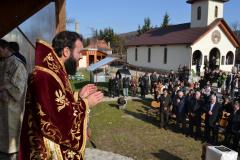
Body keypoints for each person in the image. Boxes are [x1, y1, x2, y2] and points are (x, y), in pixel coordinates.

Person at [19, 31, 103, 160]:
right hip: (45, 152)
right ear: (66, 52)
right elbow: (56, 119)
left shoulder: (56, 71)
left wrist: (78, 96)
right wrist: (86, 104)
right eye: (79, 52)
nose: (81, 57)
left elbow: (57, 103)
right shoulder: (45, 76)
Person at [0, 39, 28, 160]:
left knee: (11, 139)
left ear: (3, 48)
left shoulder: (17, 64)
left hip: (13, 107)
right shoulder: (2, 62)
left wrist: (4, 87)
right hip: (2, 106)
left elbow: (19, 88)